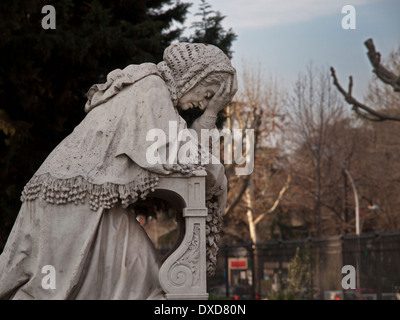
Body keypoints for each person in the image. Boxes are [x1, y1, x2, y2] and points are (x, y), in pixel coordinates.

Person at [0, 42, 237, 299]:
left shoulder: (151, 88)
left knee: (140, 270)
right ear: (195, 77)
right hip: (72, 199)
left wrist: (212, 113)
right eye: (208, 94)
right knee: (49, 290)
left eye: (209, 102)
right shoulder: (151, 88)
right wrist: (212, 121)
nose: (203, 104)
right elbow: (187, 156)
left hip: (88, 200)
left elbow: (187, 152)